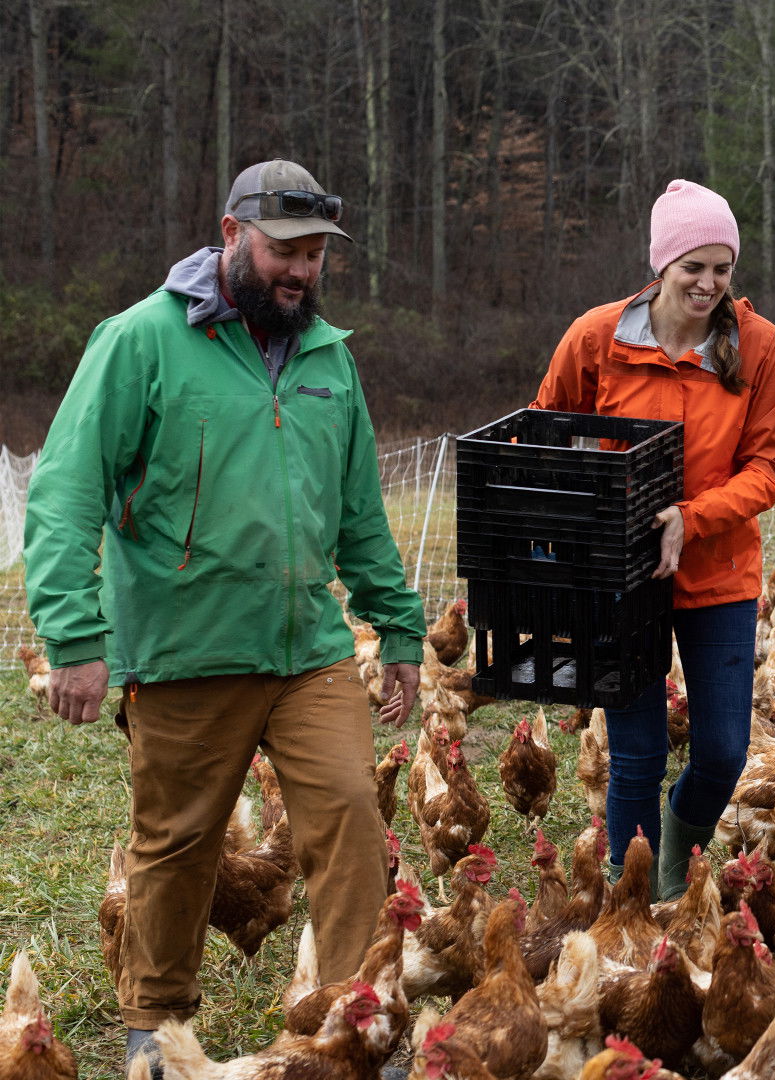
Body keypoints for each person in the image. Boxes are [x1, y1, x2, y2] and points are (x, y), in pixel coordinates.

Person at [23, 159, 425, 1076]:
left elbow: (360, 514)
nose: (302, 271)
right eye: (286, 251)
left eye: (316, 254)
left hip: (309, 647)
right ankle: (157, 1024)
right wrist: (75, 635)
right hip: (186, 647)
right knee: (177, 844)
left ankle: (361, 1022)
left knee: (352, 815)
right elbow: (66, 489)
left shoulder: (329, 358)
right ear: (232, 235)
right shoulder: (142, 341)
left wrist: (398, 625)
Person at [532, 178, 775, 900]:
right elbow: (544, 431)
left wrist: (691, 517)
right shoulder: (597, 339)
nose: (709, 284)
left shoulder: (758, 347)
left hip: (718, 573)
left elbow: (768, 468)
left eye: (722, 269)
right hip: (622, 578)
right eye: (693, 267)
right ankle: (633, 896)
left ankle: (678, 842)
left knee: (723, 753)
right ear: (661, 265)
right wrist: (572, 520)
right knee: (638, 754)